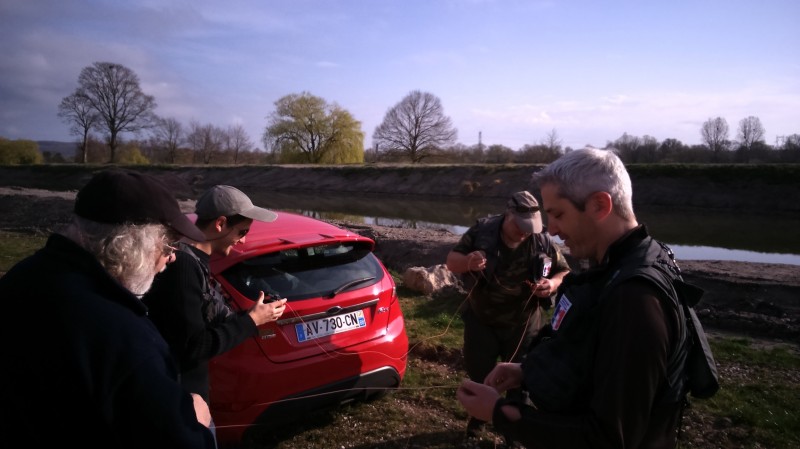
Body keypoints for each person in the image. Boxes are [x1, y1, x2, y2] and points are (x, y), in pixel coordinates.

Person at [457, 148, 697, 448]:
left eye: (558, 214)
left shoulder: (635, 300)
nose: (552, 230)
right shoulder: (620, 265)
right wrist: (526, 371)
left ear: (599, 205)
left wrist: (499, 413)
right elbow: (587, 357)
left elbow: (608, 438)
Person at [0, 169, 215, 448]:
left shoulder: (23, 277)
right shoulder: (125, 338)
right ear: (130, 244)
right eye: (168, 244)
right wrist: (194, 420)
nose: (172, 257)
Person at [143, 185, 288, 443]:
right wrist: (252, 321)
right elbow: (194, 347)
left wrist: (251, 314)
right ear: (220, 224)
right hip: (184, 408)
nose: (243, 240)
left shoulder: (194, 259)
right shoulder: (183, 267)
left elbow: (204, 315)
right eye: (242, 232)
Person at [445, 190, 570, 440]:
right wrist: (469, 261)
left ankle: (513, 431)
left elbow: (563, 271)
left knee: (521, 383)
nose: (524, 232)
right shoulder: (482, 231)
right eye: (520, 226)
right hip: (482, 321)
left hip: (523, 325)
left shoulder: (542, 241)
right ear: (508, 215)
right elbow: (451, 261)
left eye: (530, 228)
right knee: (480, 375)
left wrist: (552, 284)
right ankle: (478, 422)